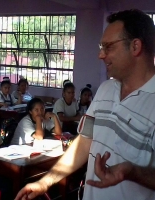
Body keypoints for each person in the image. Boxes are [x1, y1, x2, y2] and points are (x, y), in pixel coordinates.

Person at [15, 9, 155, 200]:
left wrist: (132, 172)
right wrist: (45, 182)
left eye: (108, 47)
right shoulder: (105, 90)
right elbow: (84, 141)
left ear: (135, 46)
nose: (101, 55)